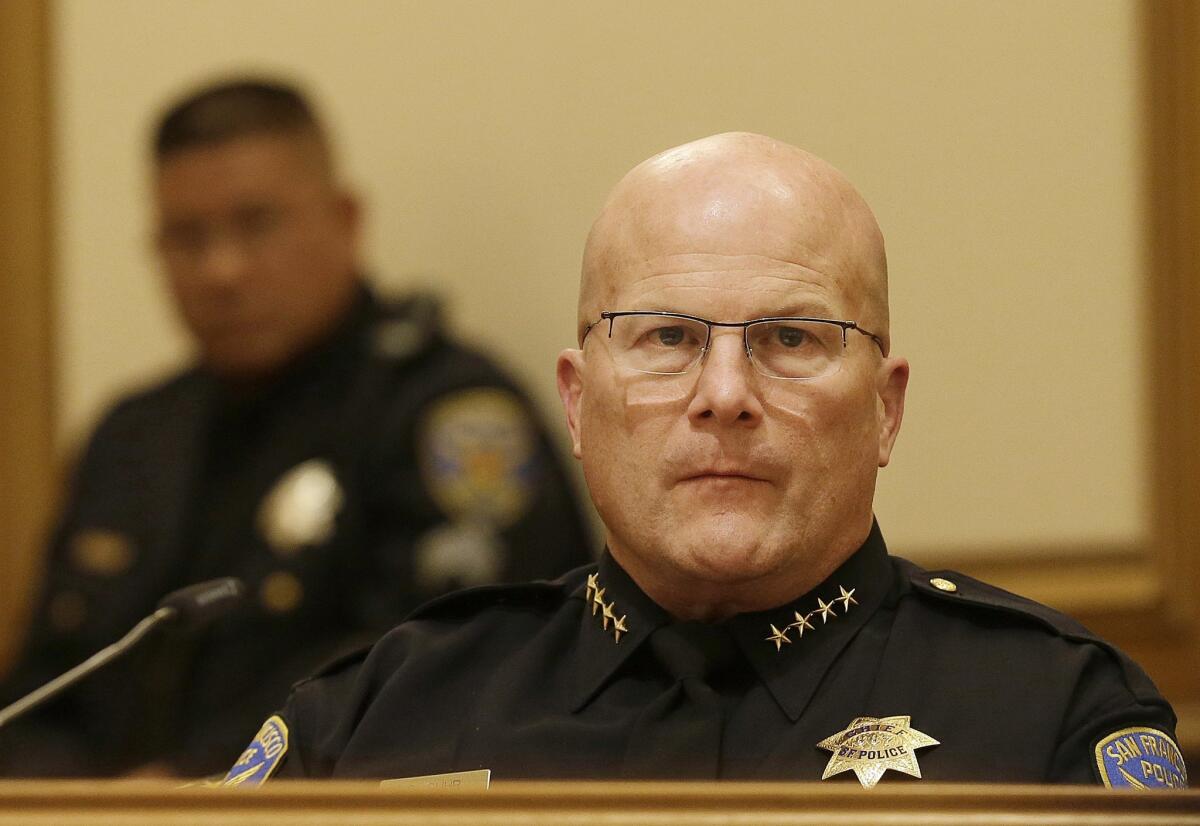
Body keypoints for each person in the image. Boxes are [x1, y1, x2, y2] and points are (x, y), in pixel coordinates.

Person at [227, 132, 1184, 788]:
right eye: (667, 338)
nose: (724, 393)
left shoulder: (1049, 715)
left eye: (793, 340)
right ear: (575, 400)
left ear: (885, 412)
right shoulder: (380, 715)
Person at [0, 78, 593, 778]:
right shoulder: (133, 437)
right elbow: (44, 697)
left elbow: (453, 681)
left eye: (256, 224)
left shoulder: (444, 418)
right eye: (187, 237)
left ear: (346, 219)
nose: (221, 270)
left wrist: (190, 788)